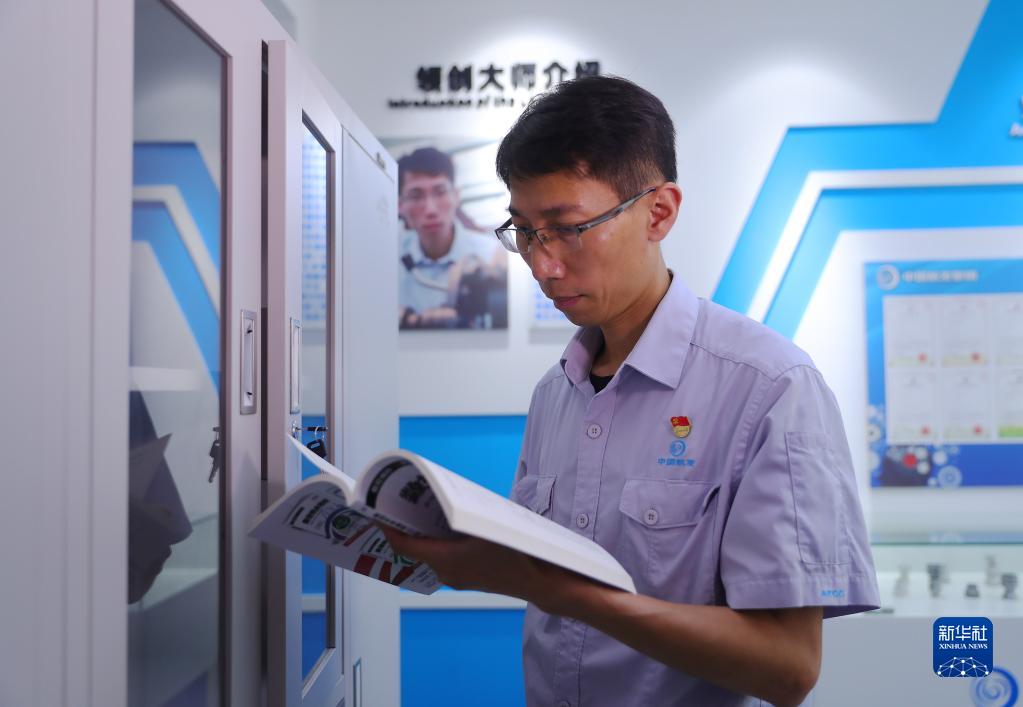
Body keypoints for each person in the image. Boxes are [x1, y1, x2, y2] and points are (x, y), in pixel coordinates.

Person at [384, 76, 880, 706]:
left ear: (659, 212)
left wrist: (559, 591)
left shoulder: (771, 388)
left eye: (568, 228)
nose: (543, 265)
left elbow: (788, 668)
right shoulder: (555, 392)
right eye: (525, 232)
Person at [397, 146, 507, 329]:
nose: (430, 209)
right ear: (399, 205)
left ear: (456, 196)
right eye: (416, 196)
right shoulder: (387, 260)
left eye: (440, 192)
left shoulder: (490, 256)